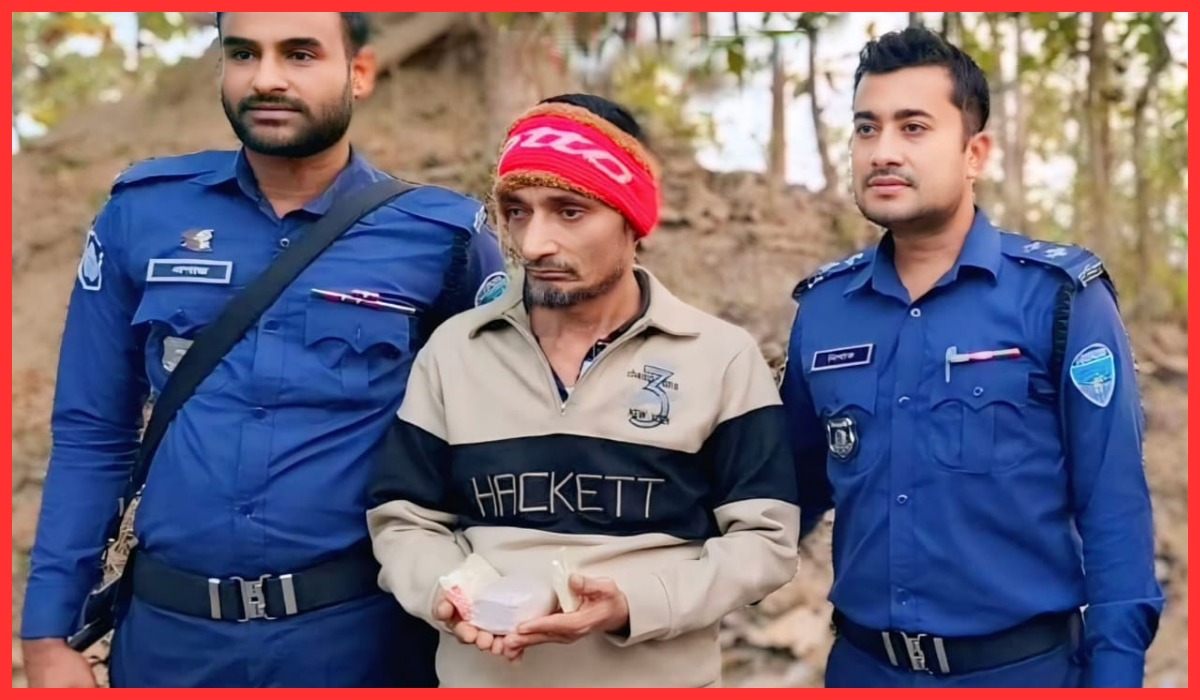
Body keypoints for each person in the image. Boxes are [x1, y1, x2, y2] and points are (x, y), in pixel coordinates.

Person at [21, 12, 506, 688]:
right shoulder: (142, 215)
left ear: (360, 73)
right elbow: (92, 432)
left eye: (300, 54)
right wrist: (48, 632)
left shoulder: (442, 239)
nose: (266, 79)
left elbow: (494, 441)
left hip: (360, 641)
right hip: (170, 643)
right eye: (244, 54)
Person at [365, 93, 800, 688]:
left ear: (632, 218)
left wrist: (635, 604)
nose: (534, 244)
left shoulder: (719, 357)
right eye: (517, 212)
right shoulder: (454, 352)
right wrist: (446, 592)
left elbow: (765, 543)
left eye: (569, 211)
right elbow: (405, 521)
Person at [780, 27, 1162, 688]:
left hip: (1022, 672)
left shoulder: (1059, 298)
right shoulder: (824, 310)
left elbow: (1114, 511)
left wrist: (1116, 676)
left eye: (914, 127)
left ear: (974, 152)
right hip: (863, 670)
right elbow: (787, 496)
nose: (883, 151)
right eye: (867, 128)